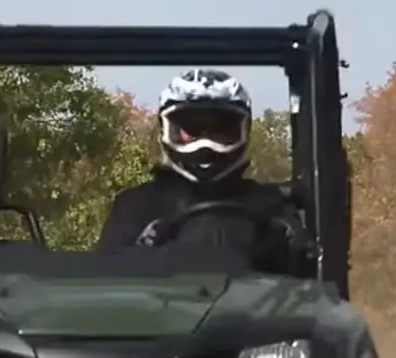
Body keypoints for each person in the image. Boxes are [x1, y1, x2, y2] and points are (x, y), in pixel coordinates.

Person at [96, 69, 299, 273]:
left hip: (253, 304)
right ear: (166, 130)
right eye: (191, 131)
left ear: (243, 131)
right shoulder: (136, 206)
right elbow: (108, 281)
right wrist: (144, 252)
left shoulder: (271, 206)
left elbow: (309, 281)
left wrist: (278, 245)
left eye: (219, 130)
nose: (205, 144)